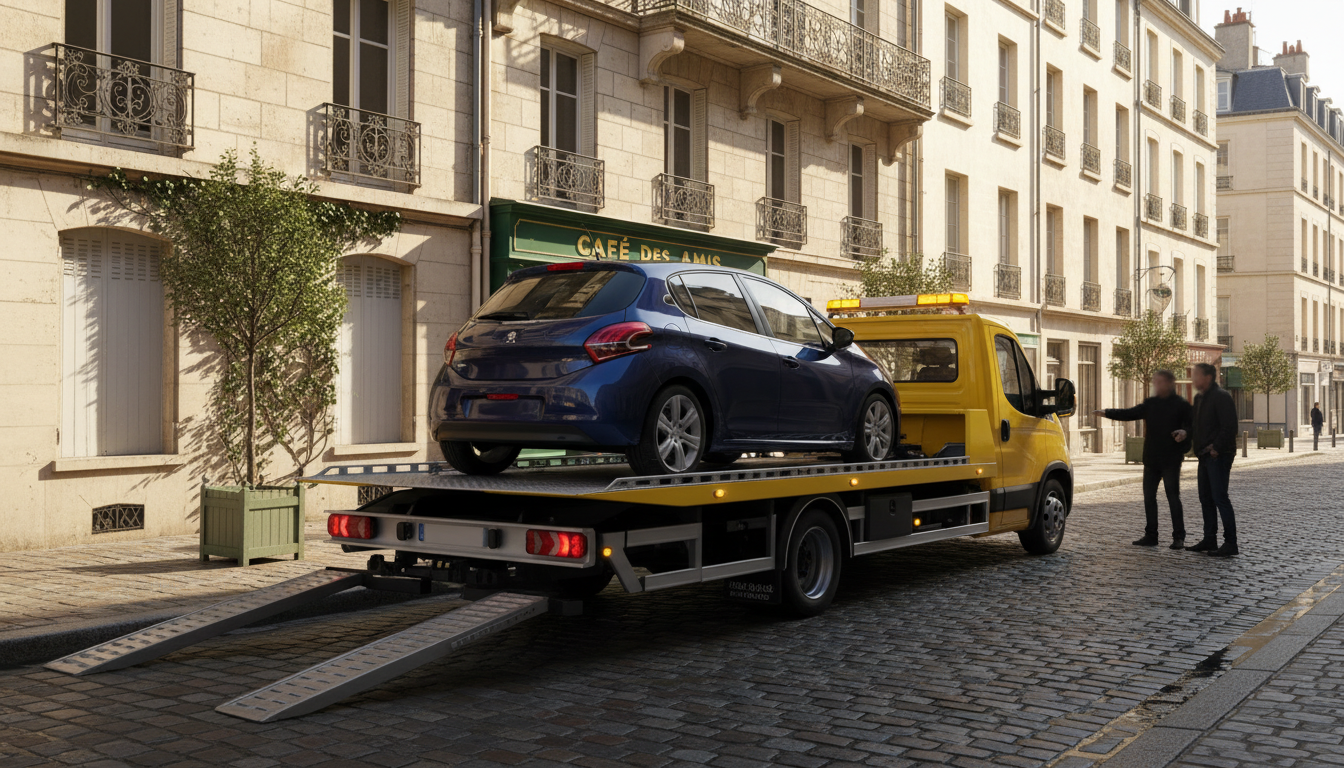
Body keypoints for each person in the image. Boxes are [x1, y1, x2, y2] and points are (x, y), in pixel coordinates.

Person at [1093, 370, 1191, 549]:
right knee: (1148, 497)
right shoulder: (1151, 404)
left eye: (1160, 382)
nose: (1156, 385)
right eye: (1155, 382)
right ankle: (1151, 535)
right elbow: (1130, 413)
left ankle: (1179, 537)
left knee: (1173, 497)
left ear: (1169, 384)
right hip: (1152, 459)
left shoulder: (1181, 405)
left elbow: (1191, 426)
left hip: (1171, 459)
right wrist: (1107, 412)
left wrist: (1185, 433)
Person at [1188, 363, 1239, 557]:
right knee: (1205, 498)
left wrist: (1216, 447)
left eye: (1196, 376)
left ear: (1207, 377)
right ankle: (1209, 538)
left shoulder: (1222, 397)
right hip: (1204, 454)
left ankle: (1230, 543)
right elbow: (1197, 425)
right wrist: (1186, 433)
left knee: (1220, 498)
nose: (1193, 380)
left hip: (1219, 455)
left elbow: (1229, 426)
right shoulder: (1200, 398)